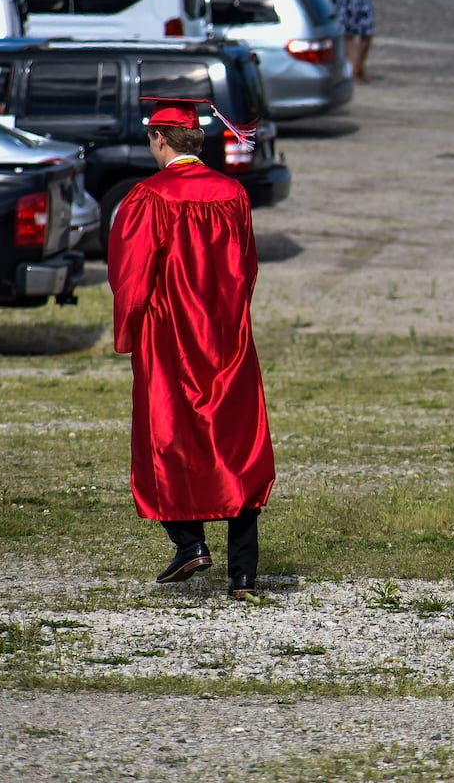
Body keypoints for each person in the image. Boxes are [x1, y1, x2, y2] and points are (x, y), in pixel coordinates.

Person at [108, 98, 275, 601]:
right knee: (236, 445)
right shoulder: (233, 194)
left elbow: (131, 276)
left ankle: (190, 542)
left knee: (167, 438)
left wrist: (129, 329)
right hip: (227, 337)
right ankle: (242, 573)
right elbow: (246, 268)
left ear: (159, 139)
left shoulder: (148, 197)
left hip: (170, 337)